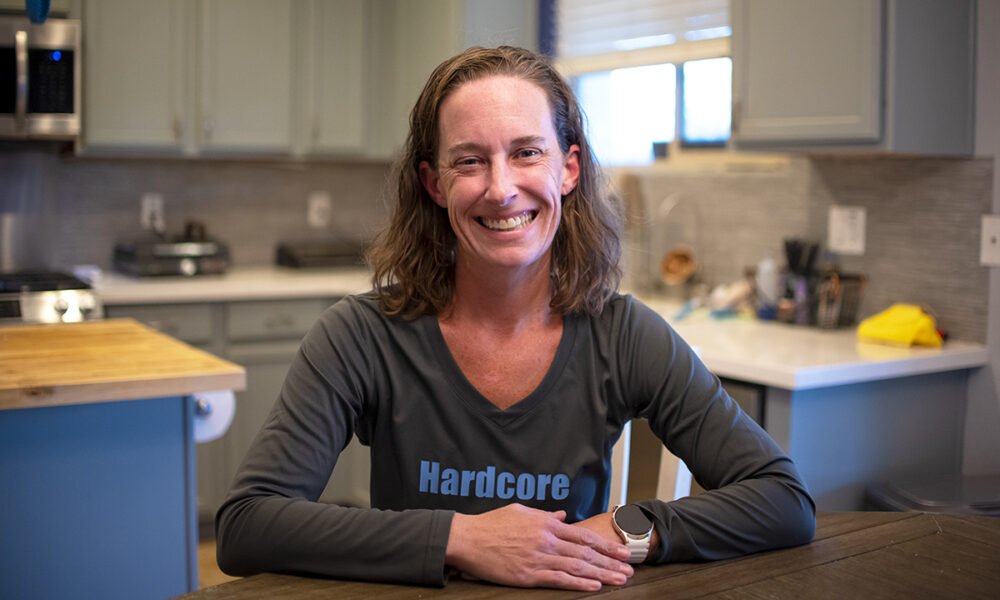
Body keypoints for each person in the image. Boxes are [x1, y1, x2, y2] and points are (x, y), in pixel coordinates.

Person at [215, 45, 815, 591]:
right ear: (434, 183)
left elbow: (783, 500)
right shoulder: (362, 336)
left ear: (568, 169)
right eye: (470, 161)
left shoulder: (624, 335)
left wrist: (630, 528)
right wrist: (460, 537)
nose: (501, 189)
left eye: (526, 152)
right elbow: (248, 524)